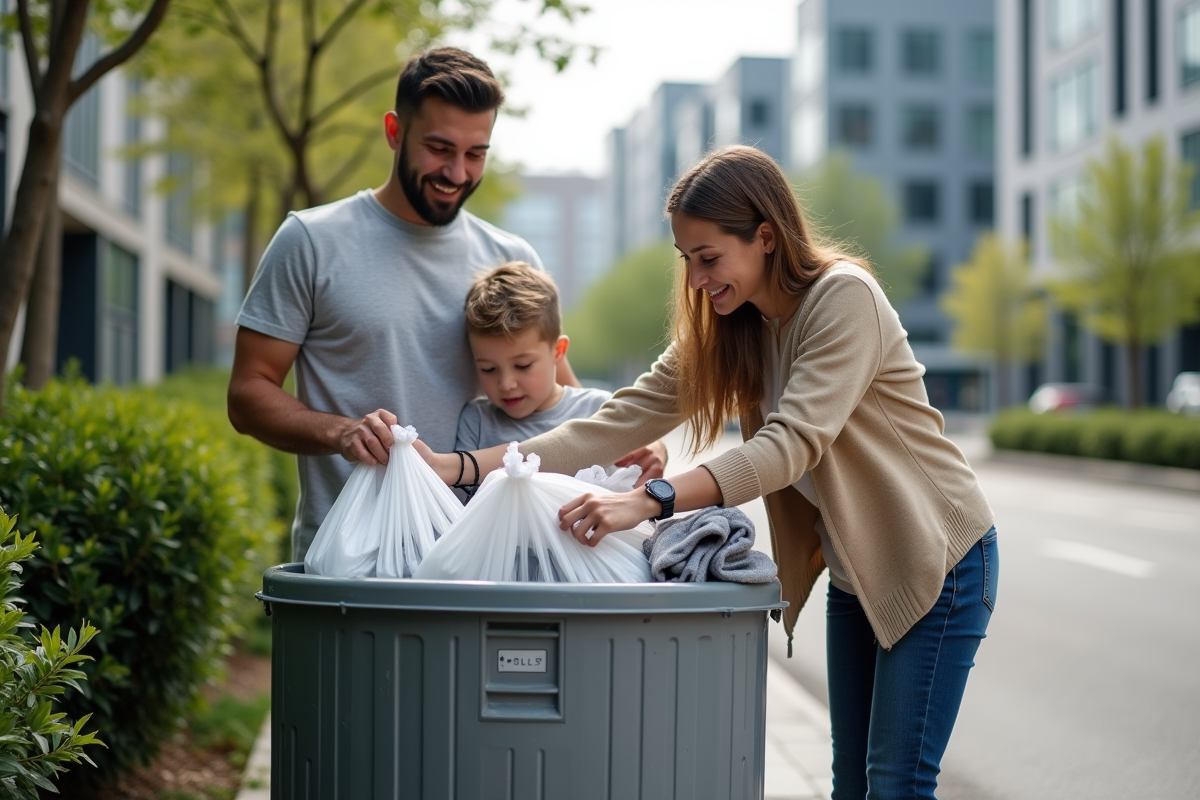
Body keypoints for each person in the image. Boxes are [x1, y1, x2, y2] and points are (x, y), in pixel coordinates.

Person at [420, 145, 998, 799]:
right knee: (850, 786)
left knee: (894, 784)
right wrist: (457, 466)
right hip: (857, 569)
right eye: (687, 259)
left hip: (936, 559)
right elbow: (613, 423)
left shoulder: (844, 299)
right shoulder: (736, 324)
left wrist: (652, 500)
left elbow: (788, 447)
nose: (696, 279)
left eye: (709, 257)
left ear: (766, 238)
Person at [227, 46, 666, 560]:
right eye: (439, 148)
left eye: (476, 153)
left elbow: (562, 412)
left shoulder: (511, 258)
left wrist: (633, 447)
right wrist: (341, 431)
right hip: (351, 562)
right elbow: (247, 393)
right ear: (395, 132)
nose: (458, 172)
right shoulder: (310, 240)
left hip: (487, 567)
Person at [454, 262, 612, 456]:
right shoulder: (476, 422)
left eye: (522, 365)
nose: (506, 384)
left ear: (558, 351)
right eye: (488, 369)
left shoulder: (599, 410)